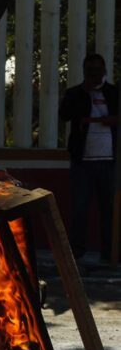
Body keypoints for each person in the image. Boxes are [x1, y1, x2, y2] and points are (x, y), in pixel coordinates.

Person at [60, 54, 119, 262]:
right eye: (90, 72)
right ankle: (77, 253)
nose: (95, 76)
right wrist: (83, 92)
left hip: (109, 160)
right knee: (80, 209)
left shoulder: (114, 93)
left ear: (104, 72)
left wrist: (115, 120)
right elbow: (64, 114)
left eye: (98, 71)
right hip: (83, 161)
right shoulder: (75, 93)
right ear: (85, 73)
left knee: (110, 210)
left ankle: (110, 253)